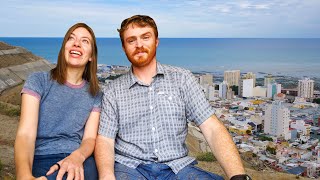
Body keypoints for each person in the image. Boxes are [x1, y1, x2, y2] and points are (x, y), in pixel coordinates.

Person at [95, 15, 251, 180]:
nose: (139, 45)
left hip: (178, 168)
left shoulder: (182, 79)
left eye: (145, 37)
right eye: (131, 40)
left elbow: (212, 128)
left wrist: (238, 176)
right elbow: (105, 140)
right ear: (124, 47)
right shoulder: (113, 90)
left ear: (156, 41)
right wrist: (107, 176)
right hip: (130, 168)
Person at [14, 23, 101, 180]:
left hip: (80, 159)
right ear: (64, 48)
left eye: (85, 41)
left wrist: (77, 157)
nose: (77, 43)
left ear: (91, 56)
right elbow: (25, 134)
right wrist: (24, 176)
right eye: (71, 38)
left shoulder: (95, 94)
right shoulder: (39, 81)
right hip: (42, 157)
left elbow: (89, 139)